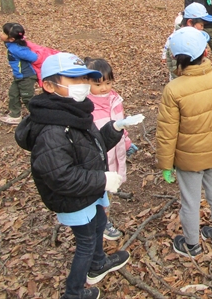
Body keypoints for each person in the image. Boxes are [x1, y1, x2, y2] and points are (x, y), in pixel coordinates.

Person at [15, 52, 144, 299]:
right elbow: (60, 176)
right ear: (49, 85)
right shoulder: (53, 128)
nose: (83, 85)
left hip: (87, 191)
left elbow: (89, 149)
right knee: (84, 242)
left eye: (84, 78)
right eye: (74, 80)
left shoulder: (75, 110)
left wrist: (114, 128)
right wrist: (103, 179)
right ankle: (73, 293)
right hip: (73, 196)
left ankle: (98, 264)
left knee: (97, 225)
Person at [156, 27, 212, 257]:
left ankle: (191, 245)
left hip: (188, 158)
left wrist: (166, 164)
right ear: (206, 51)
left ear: (176, 58)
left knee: (190, 201)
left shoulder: (173, 89)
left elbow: (167, 132)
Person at [85, 57, 134, 241]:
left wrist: (127, 141)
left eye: (108, 82)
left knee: (110, 188)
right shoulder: (86, 105)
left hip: (115, 152)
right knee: (99, 190)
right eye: (97, 84)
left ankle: (104, 218)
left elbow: (120, 124)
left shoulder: (114, 99)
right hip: (97, 157)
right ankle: (101, 223)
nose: (104, 88)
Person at [163, 3, 212, 80]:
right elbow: (175, 70)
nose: (202, 28)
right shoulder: (177, 42)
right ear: (190, 22)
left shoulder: (195, 37)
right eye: (201, 25)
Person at [0, 23, 38, 125]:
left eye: (3, 33)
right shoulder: (12, 45)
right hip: (19, 77)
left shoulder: (17, 49)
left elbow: (33, 57)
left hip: (26, 77)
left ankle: (39, 116)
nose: (1, 34)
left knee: (27, 97)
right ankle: (15, 115)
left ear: (12, 39)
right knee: (13, 94)